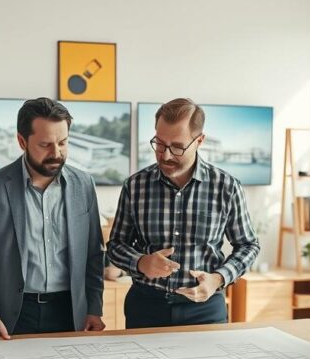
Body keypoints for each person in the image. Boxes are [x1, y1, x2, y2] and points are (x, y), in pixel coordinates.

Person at [0, 97, 104, 344]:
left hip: (70, 312)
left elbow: (93, 254)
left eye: (63, 143)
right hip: (9, 316)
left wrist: (94, 307)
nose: (56, 153)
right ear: (22, 141)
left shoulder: (84, 185)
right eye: (45, 144)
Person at [107, 98, 260, 328]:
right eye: (159, 144)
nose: (165, 155)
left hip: (206, 308)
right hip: (145, 307)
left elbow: (249, 245)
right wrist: (141, 262)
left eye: (177, 147)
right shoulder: (135, 186)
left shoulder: (227, 187)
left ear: (199, 141)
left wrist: (218, 278)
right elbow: (116, 244)